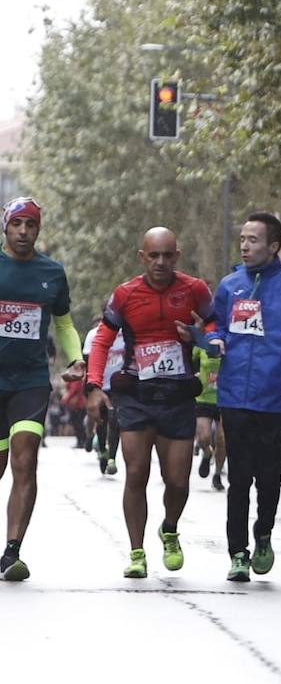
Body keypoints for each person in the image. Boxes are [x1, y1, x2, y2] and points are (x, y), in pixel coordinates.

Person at [85, 227, 216, 579]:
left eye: (167, 255)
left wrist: (201, 336)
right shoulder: (125, 294)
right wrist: (94, 386)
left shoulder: (194, 290)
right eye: (153, 255)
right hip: (136, 396)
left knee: (178, 481)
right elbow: (101, 343)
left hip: (178, 397)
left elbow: (217, 330)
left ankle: (170, 529)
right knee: (136, 473)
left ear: (177, 256)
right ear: (142, 257)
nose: (160, 262)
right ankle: (137, 551)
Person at [208, 211, 281, 582]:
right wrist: (213, 339)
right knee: (239, 476)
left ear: (274, 246)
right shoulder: (229, 286)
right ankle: (237, 552)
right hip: (235, 394)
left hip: (275, 397)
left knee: (269, 477)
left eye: (253, 240)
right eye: (242, 238)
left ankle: (264, 535)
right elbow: (216, 325)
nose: (244, 245)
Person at [0, 197, 86, 581]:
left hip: (31, 382)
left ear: (38, 229)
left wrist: (76, 358)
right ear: (5, 227)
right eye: (16, 223)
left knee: (25, 458)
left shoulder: (52, 272)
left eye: (30, 225)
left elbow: (64, 324)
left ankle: (12, 552)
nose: (23, 231)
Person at [83, 318, 125, 476]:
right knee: (101, 421)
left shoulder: (126, 334)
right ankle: (102, 450)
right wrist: (90, 387)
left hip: (118, 387)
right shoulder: (93, 335)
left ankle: (112, 458)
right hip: (98, 385)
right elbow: (87, 361)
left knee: (115, 422)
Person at [193, 346, 225, 491]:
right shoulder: (200, 346)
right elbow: (189, 360)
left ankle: (217, 475)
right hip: (204, 398)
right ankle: (207, 452)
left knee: (222, 439)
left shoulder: (230, 346)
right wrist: (194, 374)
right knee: (203, 437)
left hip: (225, 399)